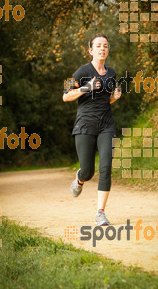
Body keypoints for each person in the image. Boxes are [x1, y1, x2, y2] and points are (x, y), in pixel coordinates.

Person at [63, 33, 121, 226]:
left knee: (105, 168)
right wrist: (85, 87)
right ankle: (79, 179)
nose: (102, 48)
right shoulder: (81, 72)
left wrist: (115, 98)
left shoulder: (111, 74)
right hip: (85, 125)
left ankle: (100, 213)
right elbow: (65, 96)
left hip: (106, 125)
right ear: (91, 50)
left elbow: (106, 99)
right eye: (98, 46)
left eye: (105, 45)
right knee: (88, 172)